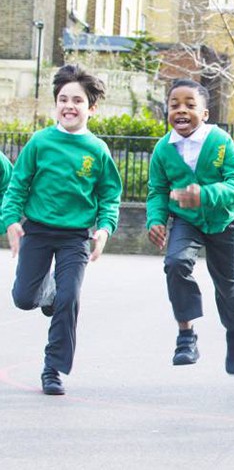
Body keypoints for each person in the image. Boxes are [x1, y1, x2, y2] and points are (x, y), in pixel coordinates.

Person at [2, 64, 122, 395]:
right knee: (24, 299)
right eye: (63, 99)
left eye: (77, 100)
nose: (69, 106)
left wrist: (104, 229)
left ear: (91, 108)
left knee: (70, 298)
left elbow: (109, 195)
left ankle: (52, 369)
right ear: (56, 104)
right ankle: (48, 292)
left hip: (75, 237)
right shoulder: (39, 142)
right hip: (38, 231)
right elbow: (17, 187)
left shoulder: (97, 150)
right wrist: (11, 220)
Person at [146, 78, 234, 375]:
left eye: (190, 105)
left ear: (205, 113)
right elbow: (156, 190)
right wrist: (155, 219)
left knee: (227, 283)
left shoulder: (219, 141)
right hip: (186, 220)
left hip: (222, 220)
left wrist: (203, 195)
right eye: (174, 105)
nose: (181, 110)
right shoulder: (163, 149)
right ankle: (186, 335)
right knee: (176, 263)